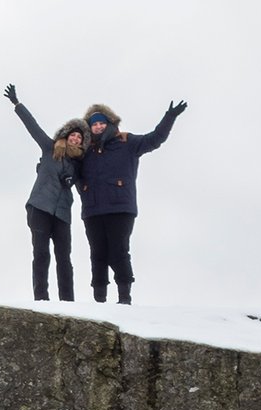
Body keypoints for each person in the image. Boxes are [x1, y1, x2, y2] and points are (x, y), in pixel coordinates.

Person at [76, 97, 187, 304]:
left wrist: (169, 117)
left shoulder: (127, 142)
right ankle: (99, 300)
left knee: (119, 250)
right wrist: (83, 190)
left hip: (120, 207)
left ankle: (124, 298)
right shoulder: (85, 151)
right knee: (97, 253)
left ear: (109, 123)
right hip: (92, 209)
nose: (98, 126)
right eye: (94, 124)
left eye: (101, 122)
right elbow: (70, 169)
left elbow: (155, 139)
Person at [4, 85, 84, 301]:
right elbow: (33, 127)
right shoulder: (49, 148)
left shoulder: (79, 165)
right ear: (66, 136)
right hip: (40, 207)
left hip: (62, 213)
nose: (75, 139)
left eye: (79, 138)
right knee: (41, 254)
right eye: (73, 135)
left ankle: (68, 301)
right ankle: (41, 299)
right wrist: (17, 104)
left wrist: (72, 179)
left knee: (64, 258)